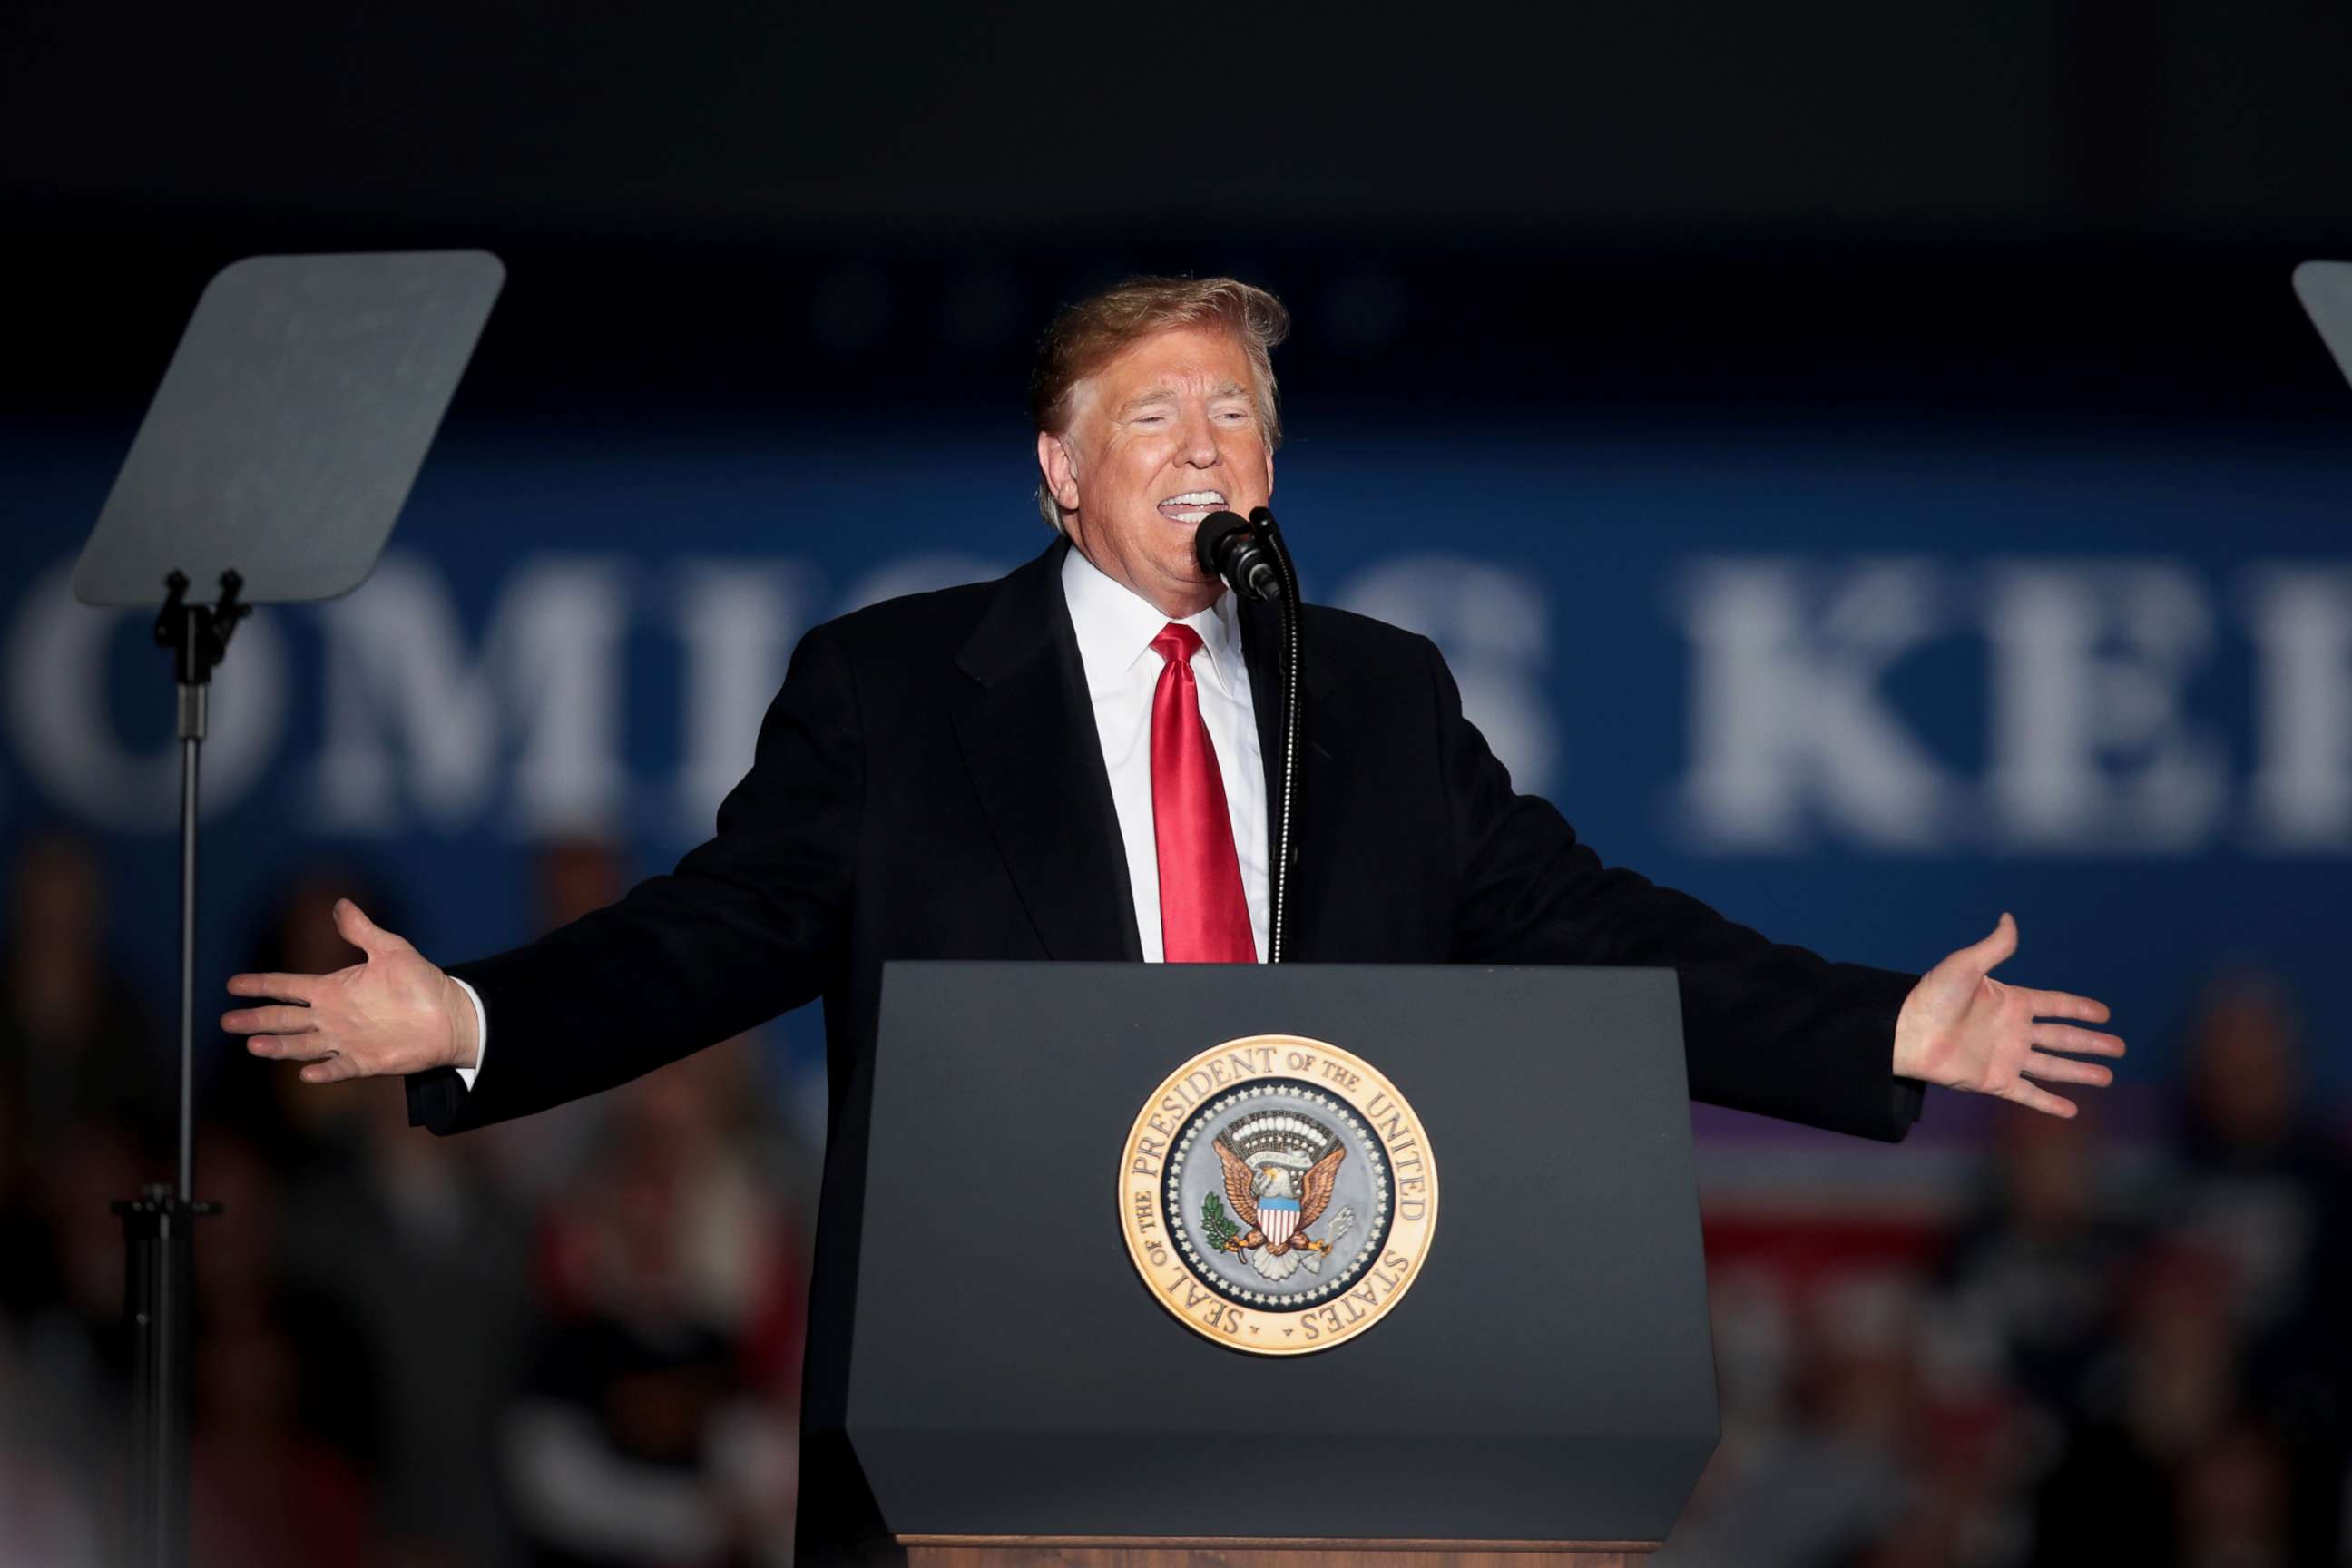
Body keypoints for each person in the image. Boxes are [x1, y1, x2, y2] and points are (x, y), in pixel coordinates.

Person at [224, 276, 2125, 1558]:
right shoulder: (898, 694)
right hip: (991, 1415)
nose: (1206, 439)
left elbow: (1574, 919)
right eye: (1155, 410)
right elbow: (718, 928)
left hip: (1330, 1416)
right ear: (1058, 474)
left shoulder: (1370, 697)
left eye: (1238, 407)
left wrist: (1878, 1028)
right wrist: (474, 1019)